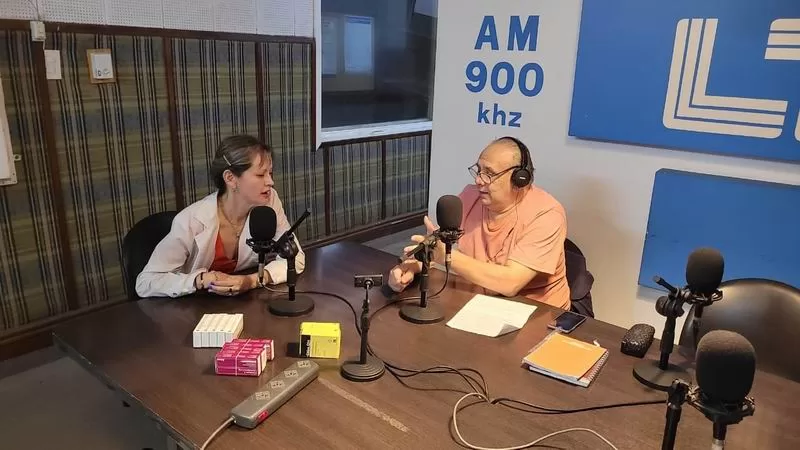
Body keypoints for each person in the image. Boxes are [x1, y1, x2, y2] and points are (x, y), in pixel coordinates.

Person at [388, 136, 571, 310]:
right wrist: (414, 266)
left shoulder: (547, 214)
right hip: (479, 303)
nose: (478, 180)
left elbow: (511, 283)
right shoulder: (470, 197)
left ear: (519, 178)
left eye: (489, 174)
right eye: (479, 170)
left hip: (537, 313)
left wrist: (446, 256)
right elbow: (441, 250)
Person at [135, 135, 304, 298]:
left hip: (245, 304)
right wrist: (198, 280)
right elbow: (146, 282)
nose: (270, 182)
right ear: (230, 178)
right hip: (192, 308)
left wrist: (252, 281)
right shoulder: (191, 220)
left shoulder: (269, 200)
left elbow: (295, 258)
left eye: (270, 173)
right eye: (260, 175)